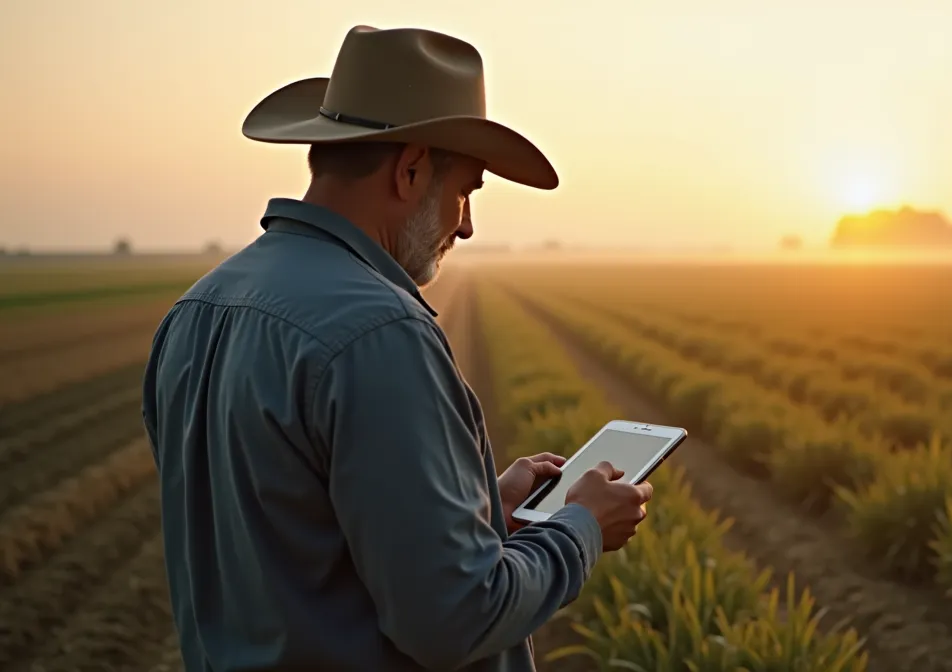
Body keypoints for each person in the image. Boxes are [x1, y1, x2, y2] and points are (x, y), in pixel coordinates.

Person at [140, 25, 654, 672]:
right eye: (465, 190)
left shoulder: (197, 309)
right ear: (410, 170)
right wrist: (578, 528)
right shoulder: (379, 332)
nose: (466, 223)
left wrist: (485, 513)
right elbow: (456, 618)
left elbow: (293, 539)